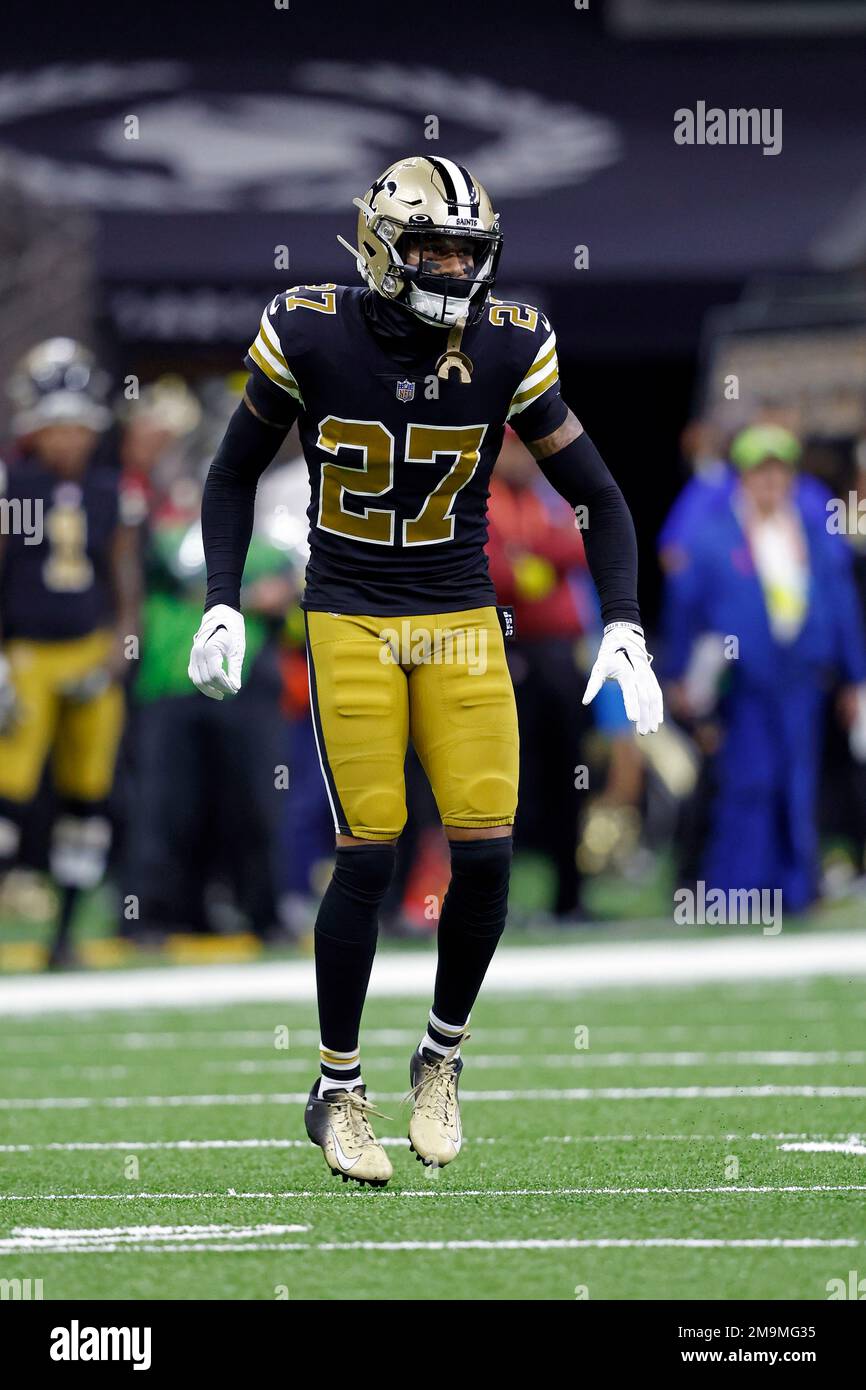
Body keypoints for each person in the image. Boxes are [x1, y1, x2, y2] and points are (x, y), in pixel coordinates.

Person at [188, 155, 663, 1186]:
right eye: (432, 247)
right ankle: (336, 1088)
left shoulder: (506, 340)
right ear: (378, 246)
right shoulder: (309, 327)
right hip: (350, 612)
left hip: (456, 614)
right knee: (369, 852)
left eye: (466, 250)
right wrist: (225, 595)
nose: (452, 267)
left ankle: (438, 1058)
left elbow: (599, 494)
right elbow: (232, 472)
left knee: (486, 854)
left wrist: (621, 620)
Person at [665, 423, 866, 913]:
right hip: (744, 684)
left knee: (798, 784)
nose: (771, 483)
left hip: (803, 677)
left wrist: (855, 677)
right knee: (748, 783)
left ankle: (795, 892)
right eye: (761, 472)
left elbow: (842, 605)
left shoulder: (813, 534)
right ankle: (738, 894)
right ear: (744, 478)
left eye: (779, 472)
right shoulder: (715, 537)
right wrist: (678, 678)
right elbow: (686, 609)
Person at [0, 338, 139, 966]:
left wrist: (115, 655)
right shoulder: (13, 484)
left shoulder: (111, 491)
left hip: (88, 653)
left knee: (87, 797)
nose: (67, 440)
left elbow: (125, 583)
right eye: (56, 427)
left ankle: (65, 936)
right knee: (8, 790)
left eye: (76, 427)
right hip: (26, 654)